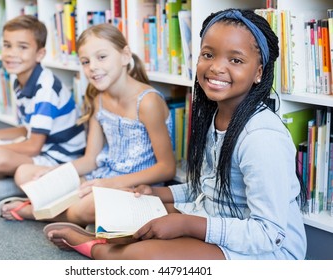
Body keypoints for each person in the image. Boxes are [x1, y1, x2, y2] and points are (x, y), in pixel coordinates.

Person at [43, 9, 308, 260]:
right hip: (216, 217)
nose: (216, 67)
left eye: (235, 60)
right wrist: (157, 194)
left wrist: (186, 224)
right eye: (208, 55)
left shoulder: (262, 138)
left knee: (144, 257)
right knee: (139, 221)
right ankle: (108, 242)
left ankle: (97, 249)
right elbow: (208, 189)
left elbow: (269, 234)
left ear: (259, 72)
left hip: (267, 251)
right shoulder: (217, 115)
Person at [0, 24, 176, 225]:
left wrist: (109, 184)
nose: (92, 67)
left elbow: (167, 168)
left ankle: (31, 211)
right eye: (85, 61)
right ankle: (68, 210)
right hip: (101, 175)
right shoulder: (98, 100)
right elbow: (90, 159)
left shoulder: (148, 102)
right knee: (25, 173)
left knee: (86, 205)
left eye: (102, 57)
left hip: (135, 186)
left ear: (125, 56)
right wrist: (57, 173)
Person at [0, 15, 86, 202]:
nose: (12, 53)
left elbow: (33, 146)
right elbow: (27, 128)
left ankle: (9, 186)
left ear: (40, 54)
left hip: (57, 157)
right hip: (38, 143)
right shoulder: (20, 80)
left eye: (22, 47)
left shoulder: (46, 89)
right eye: (7, 45)